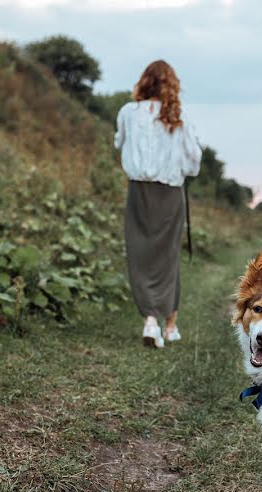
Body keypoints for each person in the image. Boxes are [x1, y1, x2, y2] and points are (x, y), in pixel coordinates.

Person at [114, 60, 202, 348]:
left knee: (140, 256)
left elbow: (120, 143)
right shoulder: (179, 115)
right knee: (167, 257)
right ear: (172, 84)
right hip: (170, 192)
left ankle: (153, 322)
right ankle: (168, 325)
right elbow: (193, 160)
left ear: (144, 81)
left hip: (138, 191)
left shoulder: (128, 113)